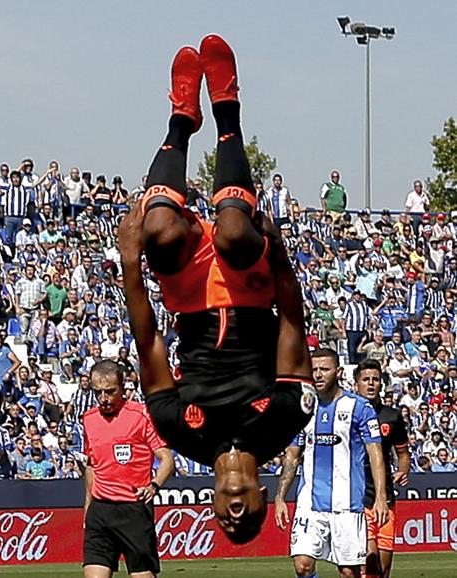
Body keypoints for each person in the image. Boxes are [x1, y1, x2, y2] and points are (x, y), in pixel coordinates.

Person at [118, 35, 314, 543]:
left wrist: (130, 264)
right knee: (231, 231)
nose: (232, 516)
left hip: (188, 296)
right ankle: (227, 109)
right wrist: (280, 257)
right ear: (262, 499)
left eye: (226, 524)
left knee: (158, 229)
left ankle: (182, 119)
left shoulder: (179, 431)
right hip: (251, 291)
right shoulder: (286, 421)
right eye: (246, 520)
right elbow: (293, 324)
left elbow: (149, 344)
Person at [274, 348, 388, 578]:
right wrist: (280, 496)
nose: (317, 374)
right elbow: (293, 455)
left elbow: (376, 454)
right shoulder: (304, 408)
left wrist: (381, 497)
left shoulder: (359, 407)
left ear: (337, 372)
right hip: (310, 502)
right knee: (302, 565)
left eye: (324, 369)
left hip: (347, 503)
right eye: (314, 369)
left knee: (348, 572)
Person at [83, 360, 173, 578]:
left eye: (110, 392)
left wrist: (154, 485)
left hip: (133, 510)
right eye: (98, 393)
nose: (103, 399)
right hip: (100, 511)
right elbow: (91, 466)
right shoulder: (89, 419)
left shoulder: (142, 416)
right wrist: (88, 508)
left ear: (123, 388)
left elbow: (166, 458)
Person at [354, 359, 410, 578]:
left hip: (384, 496)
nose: (370, 384)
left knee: (383, 571)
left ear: (381, 384)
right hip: (357, 497)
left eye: (375, 380)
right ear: (356, 383)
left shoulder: (391, 416)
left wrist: (404, 470)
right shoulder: (347, 414)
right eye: (365, 380)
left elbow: (403, 454)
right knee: (369, 560)